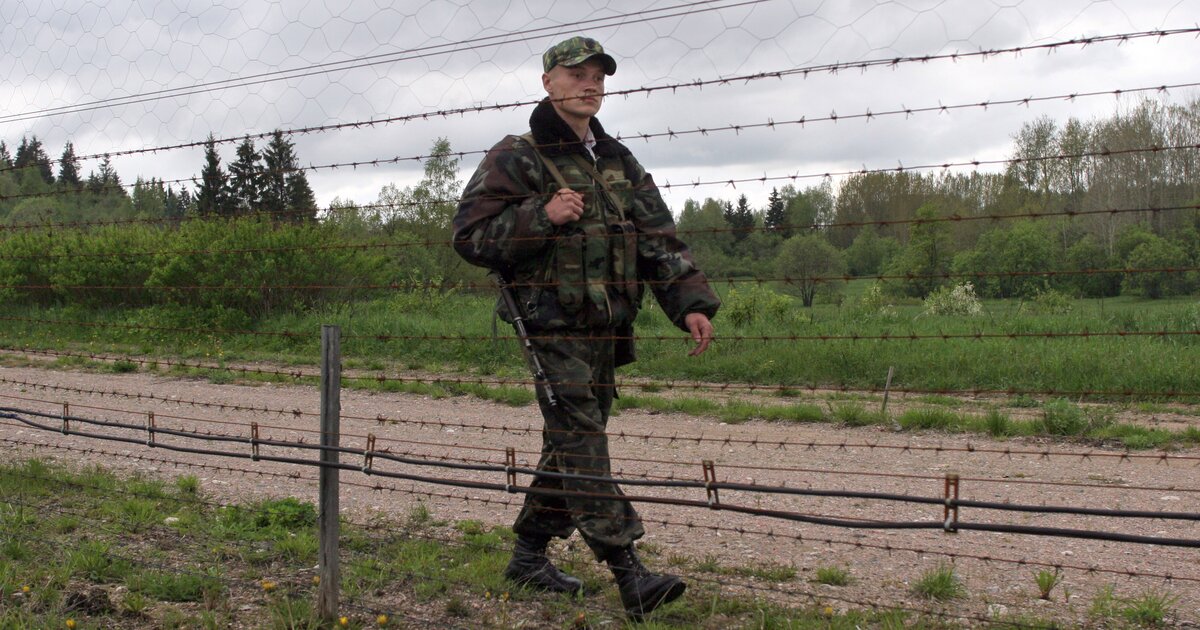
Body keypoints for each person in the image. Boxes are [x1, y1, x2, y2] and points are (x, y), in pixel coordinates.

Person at [453, 36, 720, 619]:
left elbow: (657, 239)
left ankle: (527, 556)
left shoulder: (617, 160)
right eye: (576, 74)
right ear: (548, 82)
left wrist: (690, 303)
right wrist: (538, 216)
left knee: (570, 439)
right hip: (549, 325)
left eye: (598, 74)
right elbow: (470, 239)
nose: (589, 83)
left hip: (607, 326)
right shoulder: (518, 155)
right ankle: (629, 572)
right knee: (582, 438)